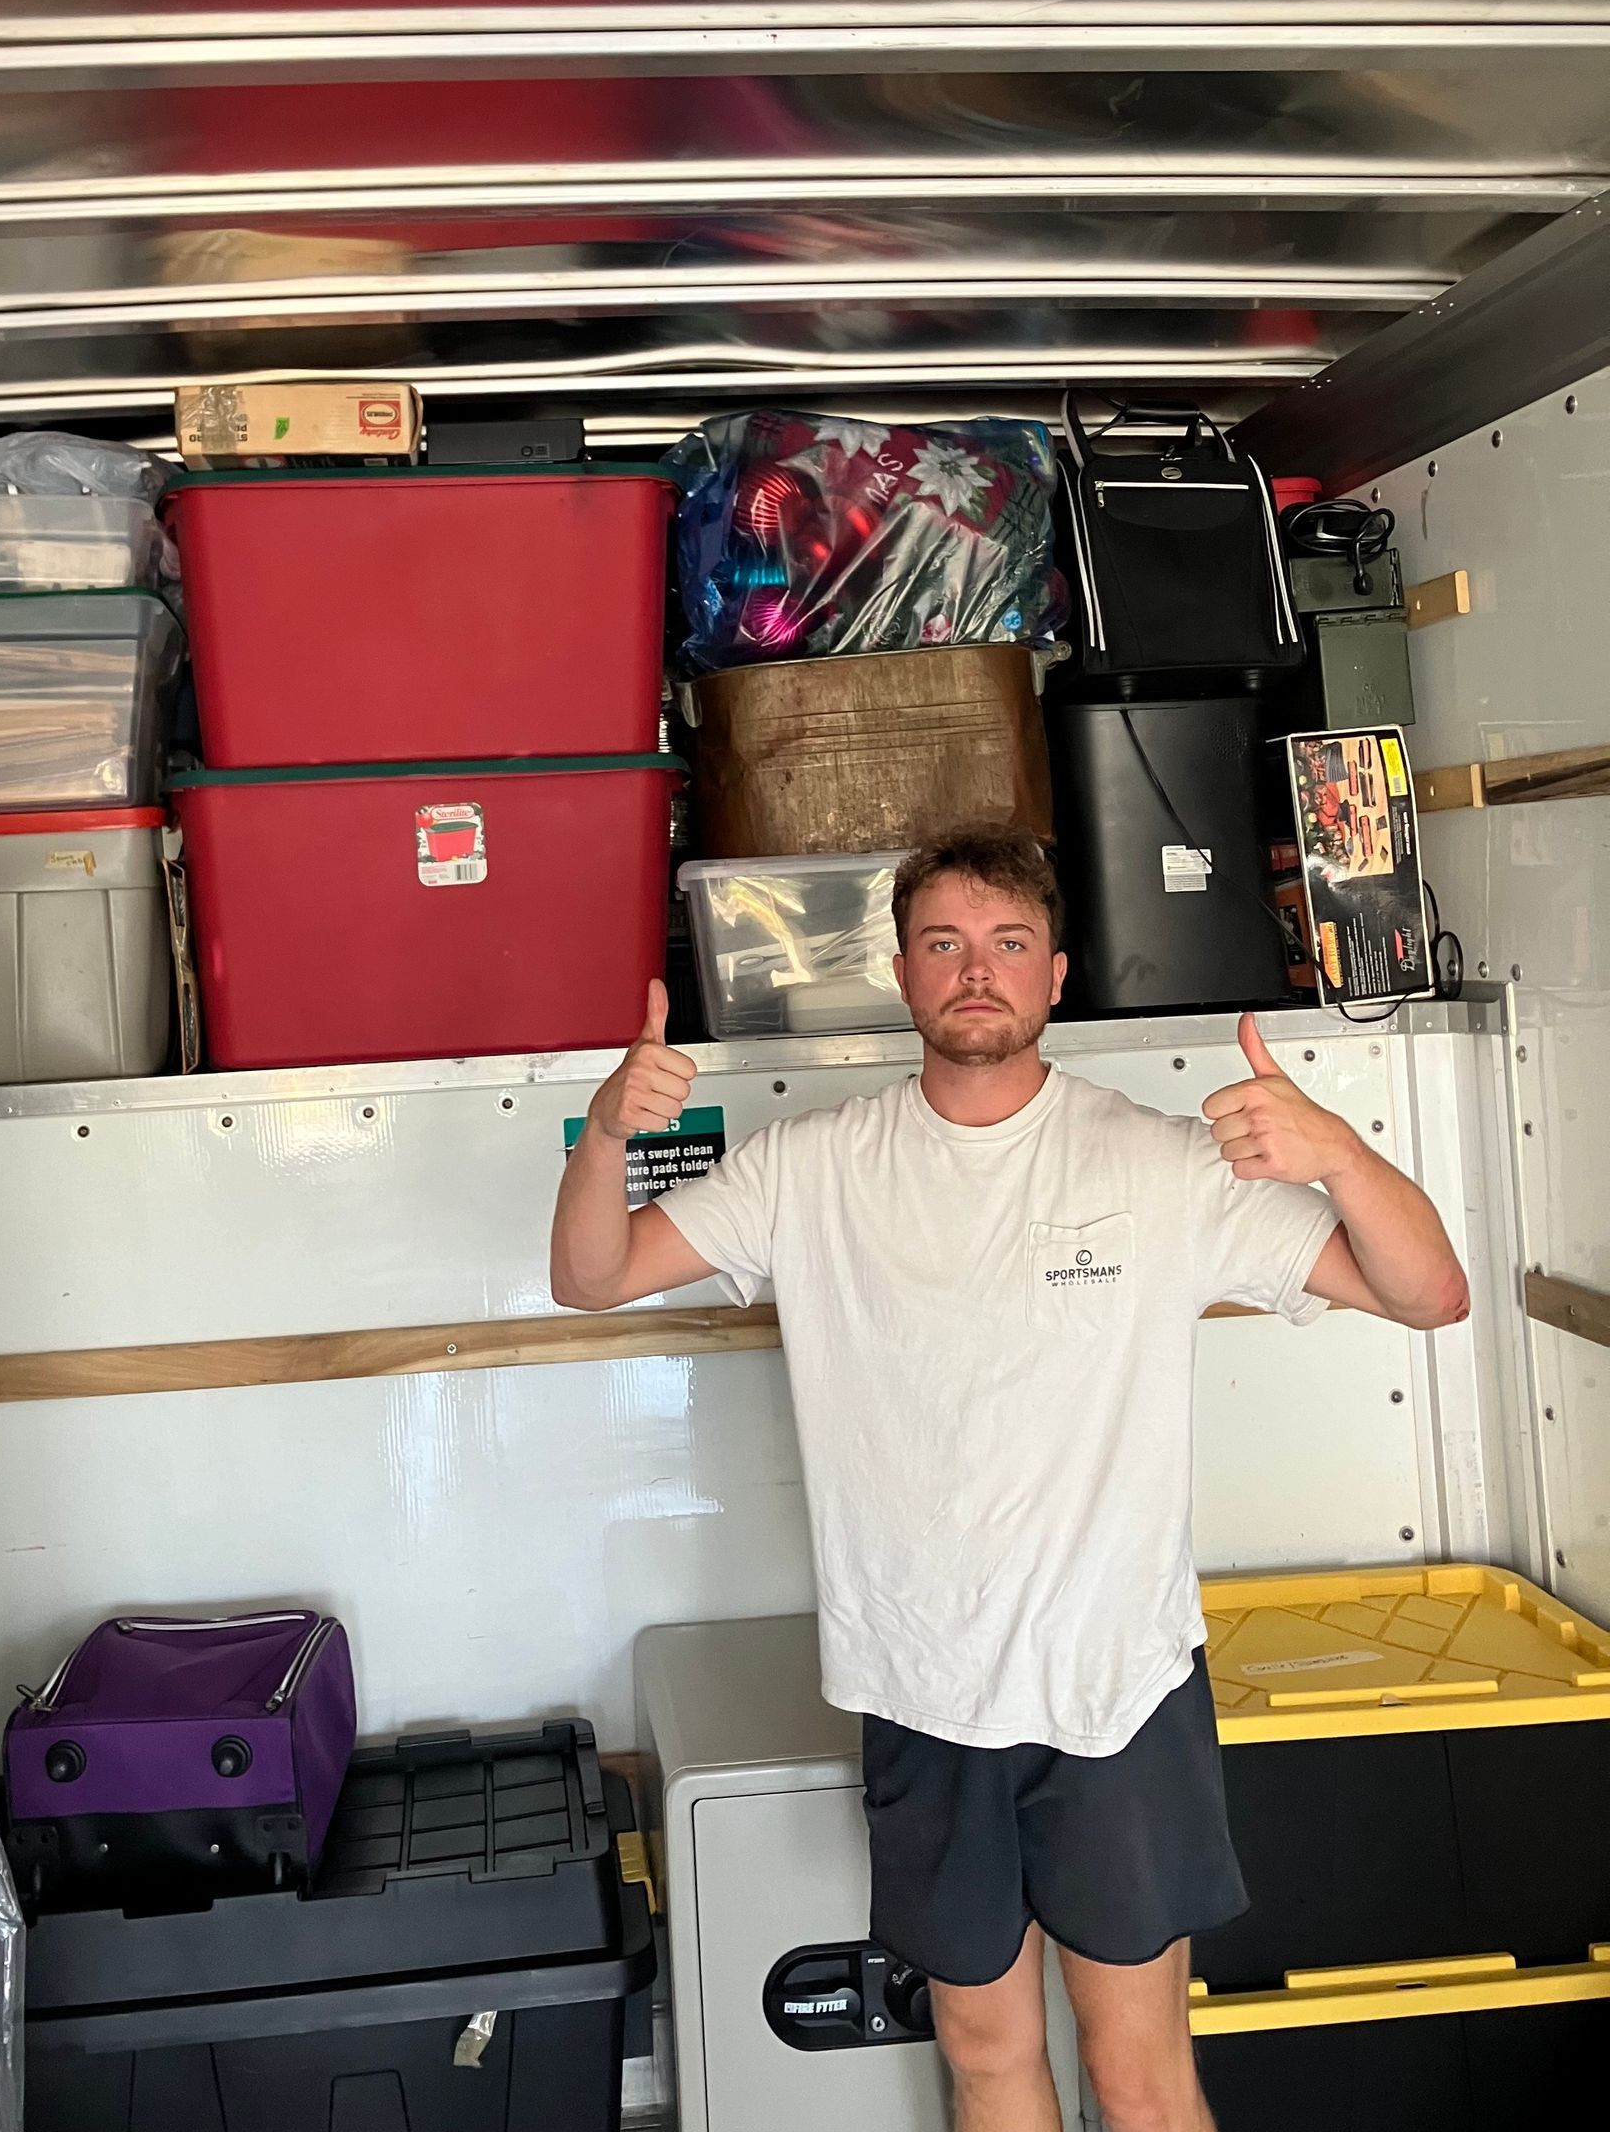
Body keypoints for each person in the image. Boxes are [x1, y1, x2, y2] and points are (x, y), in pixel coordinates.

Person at [550, 823, 1468, 2132]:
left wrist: (1339, 1153)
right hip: (920, 1687)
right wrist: (598, 1135)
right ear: (903, 972)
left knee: (1140, 2075)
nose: (976, 971)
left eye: (1008, 944)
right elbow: (592, 1276)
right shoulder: (812, 1168)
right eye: (944, 943)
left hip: (1118, 1687)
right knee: (983, 2055)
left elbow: (1431, 1292)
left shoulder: (1156, 1163)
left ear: (1055, 975)